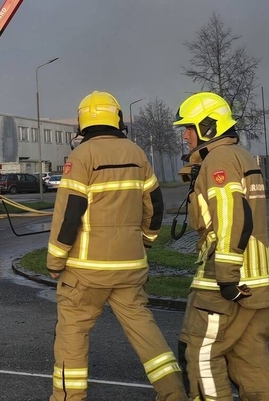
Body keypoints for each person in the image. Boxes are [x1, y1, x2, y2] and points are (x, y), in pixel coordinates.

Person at [47, 91, 187, 401]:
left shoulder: (82, 157)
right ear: (117, 120)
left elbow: (70, 214)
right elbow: (155, 205)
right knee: (145, 332)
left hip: (86, 271)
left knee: (73, 334)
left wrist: (56, 260)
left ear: (83, 123)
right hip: (130, 267)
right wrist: (146, 241)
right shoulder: (137, 154)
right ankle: (174, 393)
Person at [174, 92, 269, 401]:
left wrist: (227, 278)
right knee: (250, 363)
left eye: (189, 128)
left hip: (224, 283)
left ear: (208, 127)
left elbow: (233, 217)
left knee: (199, 356)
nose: (184, 135)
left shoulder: (219, 160)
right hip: (256, 283)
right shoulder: (242, 157)